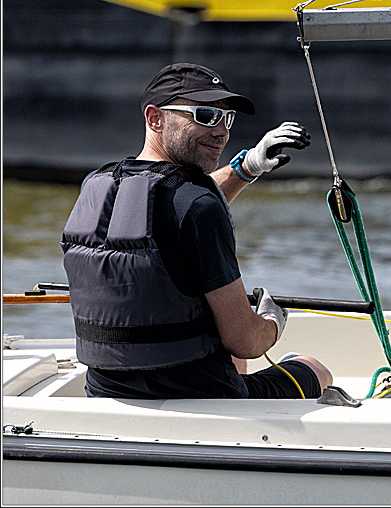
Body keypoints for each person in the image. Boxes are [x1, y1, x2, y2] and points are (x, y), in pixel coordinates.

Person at [61, 62, 333, 399]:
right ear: (155, 118)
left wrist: (248, 166)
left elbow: (171, 206)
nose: (221, 131)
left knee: (229, 355)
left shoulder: (97, 186)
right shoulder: (197, 205)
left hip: (106, 391)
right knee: (314, 368)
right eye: (205, 115)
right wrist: (272, 322)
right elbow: (246, 341)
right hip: (200, 396)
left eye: (226, 119)